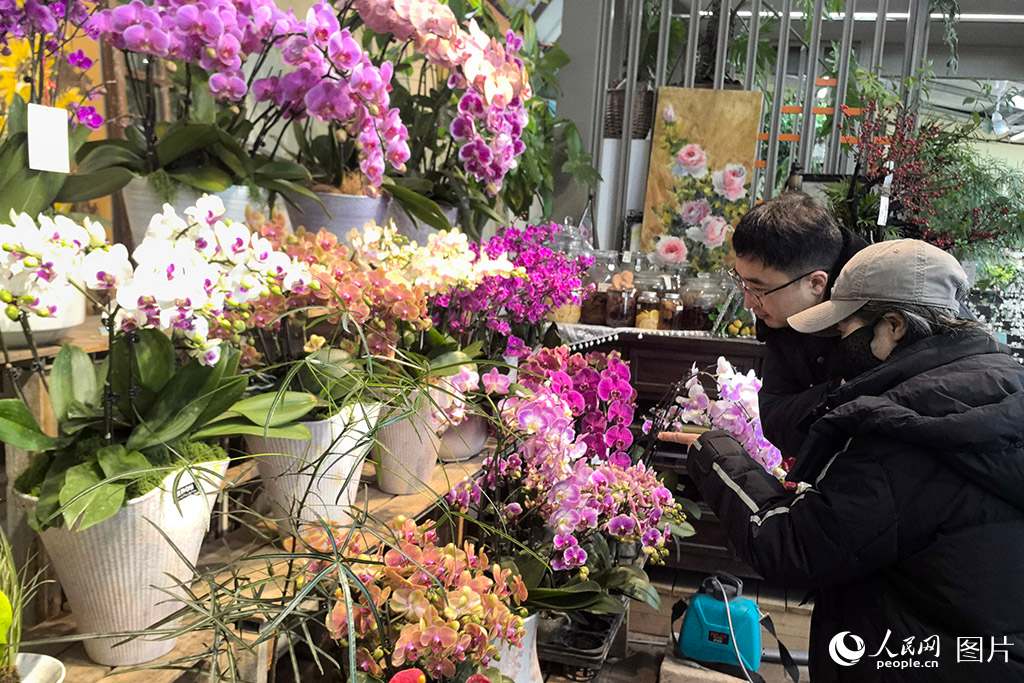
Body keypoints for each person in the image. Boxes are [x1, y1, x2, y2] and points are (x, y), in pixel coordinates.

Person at [662, 239, 1024, 681]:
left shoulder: (903, 425)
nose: (837, 347)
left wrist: (714, 451)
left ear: (893, 326)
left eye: (845, 330)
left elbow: (793, 545)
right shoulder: (1001, 383)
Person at [729, 192, 867, 460]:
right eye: (742, 283)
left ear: (816, 283)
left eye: (758, 289)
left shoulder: (882, 309)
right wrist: (841, 390)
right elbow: (775, 419)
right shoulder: (779, 319)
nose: (747, 302)